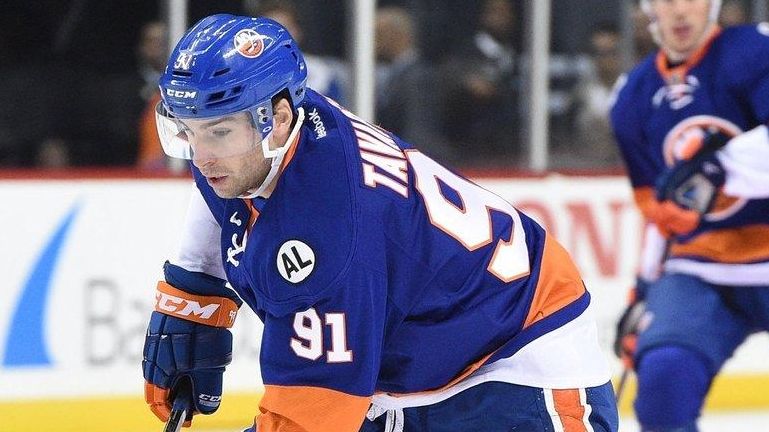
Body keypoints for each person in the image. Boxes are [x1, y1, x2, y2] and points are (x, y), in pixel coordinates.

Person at [141, 14, 618, 432]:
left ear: (277, 119)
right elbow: (217, 205)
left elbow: (310, 419)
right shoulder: (274, 133)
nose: (199, 157)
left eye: (218, 131)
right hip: (419, 360)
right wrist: (193, 297)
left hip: (519, 353)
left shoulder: (325, 234)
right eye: (187, 130)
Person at [610, 0, 769, 430]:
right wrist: (643, 290)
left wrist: (719, 170)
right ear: (648, 10)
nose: (680, 11)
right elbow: (660, 212)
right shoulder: (632, 98)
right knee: (664, 372)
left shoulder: (755, 53)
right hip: (701, 270)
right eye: (666, 0)